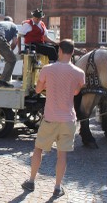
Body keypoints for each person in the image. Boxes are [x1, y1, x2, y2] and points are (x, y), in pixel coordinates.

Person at [21, 39, 85, 198]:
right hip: (68, 120)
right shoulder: (79, 73)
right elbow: (76, 92)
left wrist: (48, 85)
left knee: (38, 149)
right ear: (72, 53)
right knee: (62, 155)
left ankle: (31, 181)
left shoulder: (47, 69)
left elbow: (37, 89)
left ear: (60, 51)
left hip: (50, 118)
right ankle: (57, 187)